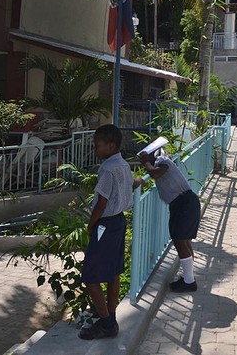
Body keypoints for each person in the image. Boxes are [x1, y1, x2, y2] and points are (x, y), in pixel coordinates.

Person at [78, 124, 133, 340]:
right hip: (118, 222)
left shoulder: (108, 169)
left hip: (105, 225)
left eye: (97, 146)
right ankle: (110, 316)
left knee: (90, 276)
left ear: (111, 146)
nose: (95, 149)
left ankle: (106, 323)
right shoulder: (124, 165)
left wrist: (91, 225)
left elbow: (101, 202)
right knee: (113, 274)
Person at [137, 148, 201, 293]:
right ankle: (188, 278)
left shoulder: (162, 161)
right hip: (182, 203)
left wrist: (146, 161)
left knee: (180, 240)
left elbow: (155, 173)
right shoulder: (160, 163)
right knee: (184, 240)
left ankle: (189, 281)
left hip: (184, 203)